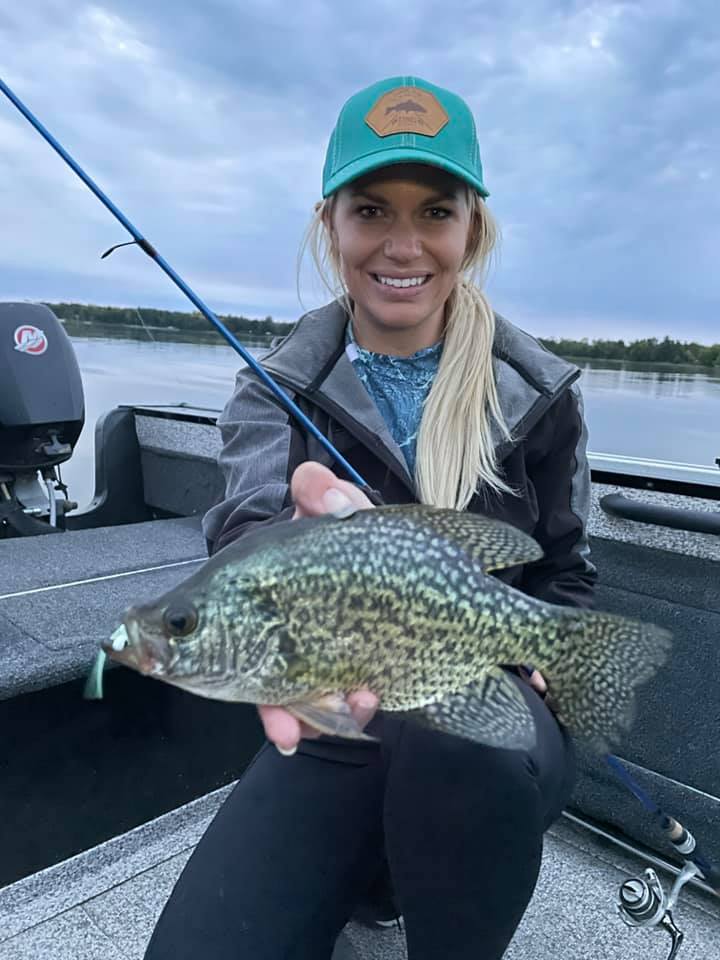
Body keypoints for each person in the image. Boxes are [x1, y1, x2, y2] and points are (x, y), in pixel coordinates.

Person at [144, 75, 596, 960]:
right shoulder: (271, 391)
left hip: (484, 715)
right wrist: (286, 555)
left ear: (472, 230)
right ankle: (371, 875)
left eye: (435, 212)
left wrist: (553, 651)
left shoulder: (541, 394)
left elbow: (565, 572)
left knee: (452, 746)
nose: (402, 244)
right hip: (335, 721)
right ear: (332, 226)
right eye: (370, 210)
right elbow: (245, 541)